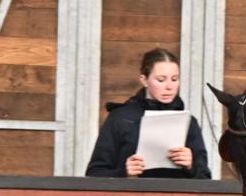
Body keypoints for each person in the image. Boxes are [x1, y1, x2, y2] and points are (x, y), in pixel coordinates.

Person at [85, 48, 212, 179]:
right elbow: (94, 173)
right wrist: (124, 173)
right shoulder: (120, 118)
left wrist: (191, 166)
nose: (169, 86)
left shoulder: (188, 122)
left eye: (174, 79)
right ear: (144, 80)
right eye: (161, 80)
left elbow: (205, 178)